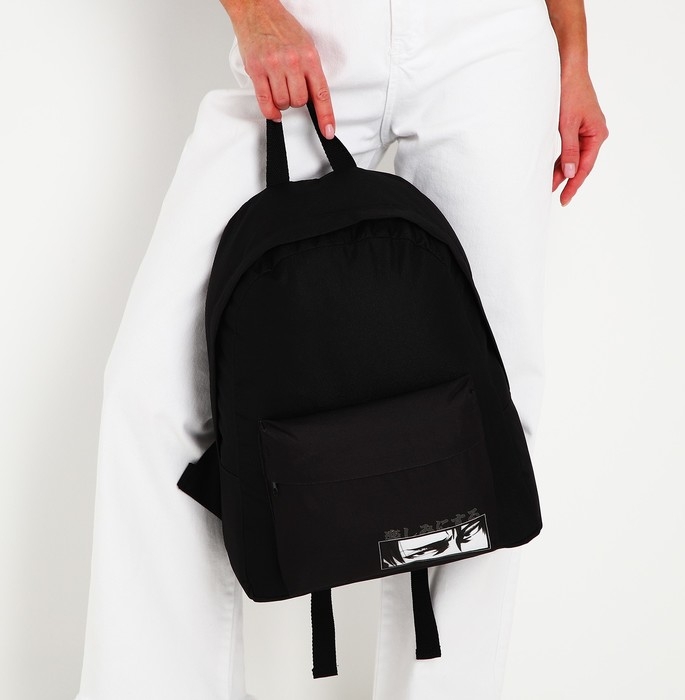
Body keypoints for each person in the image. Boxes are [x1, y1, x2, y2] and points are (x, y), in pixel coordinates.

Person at [74, 0, 607, 698]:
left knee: (486, 418)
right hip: (313, 29)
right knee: (150, 391)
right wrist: (254, 13)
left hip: (487, 39)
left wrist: (573, 53)